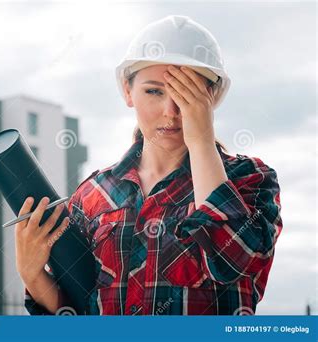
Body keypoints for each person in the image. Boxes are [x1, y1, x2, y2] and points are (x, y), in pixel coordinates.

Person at [16, 15, 283, 315]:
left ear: (213, 98)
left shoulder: (250, 180)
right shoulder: (92, 195)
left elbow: (229, 261)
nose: (171, 112)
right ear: (128, 92)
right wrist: (33, 275)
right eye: (154, 91)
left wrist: (201, 142)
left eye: (187, 94)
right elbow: (78, 315)